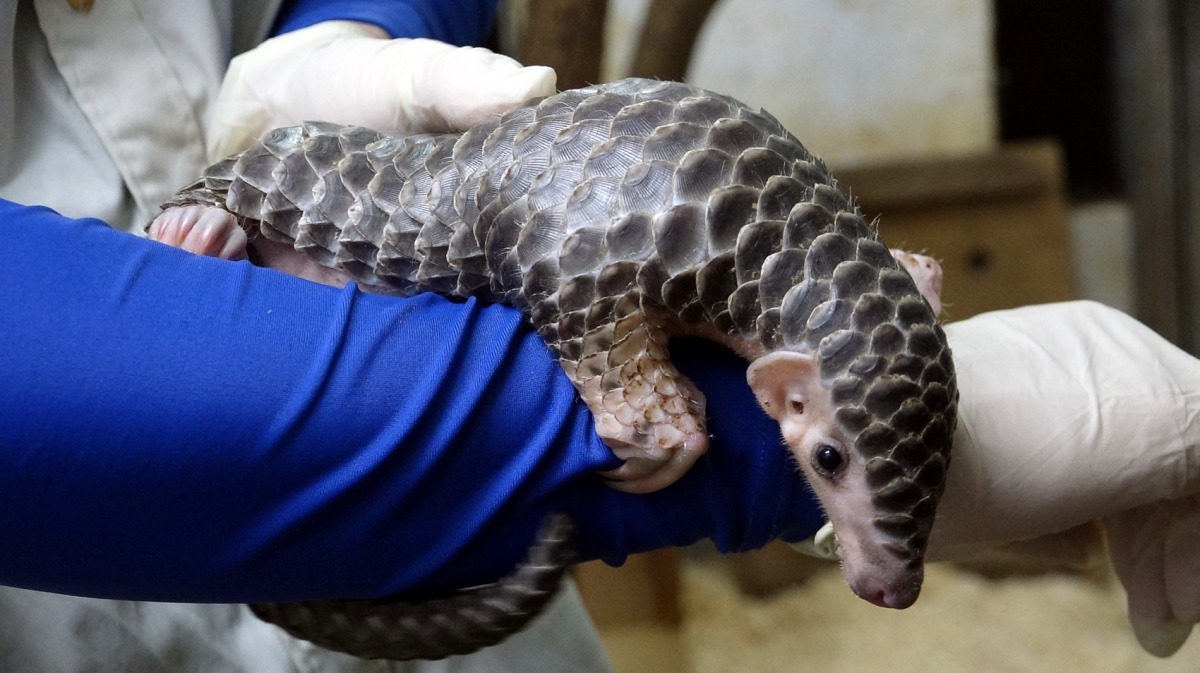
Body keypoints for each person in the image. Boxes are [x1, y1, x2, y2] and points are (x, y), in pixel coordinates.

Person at [1, 0, 1198, 668]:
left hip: (474, 578)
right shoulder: (739, 359)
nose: (882, 586)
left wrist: (366, 19)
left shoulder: (807, 262)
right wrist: (747, 460)